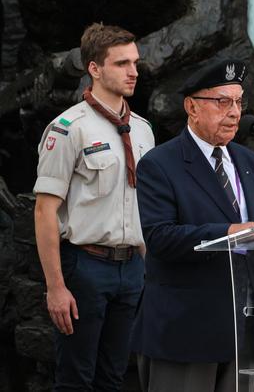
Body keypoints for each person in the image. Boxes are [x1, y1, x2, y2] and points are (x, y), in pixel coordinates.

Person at [130, 59, 254, 392]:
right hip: (187, 333)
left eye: (239, 102)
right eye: (222, 101)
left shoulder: (250, 162)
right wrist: (227, 233)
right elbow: (160, 238)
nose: (234, 112)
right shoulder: (160, 164)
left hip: (246, 330)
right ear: (191, 107)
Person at [33, 23, 154, 391]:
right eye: (121, 64)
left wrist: (147, 270)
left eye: (135, 62)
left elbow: (143, 205)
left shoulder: (143, 129)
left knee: (114, 378)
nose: (133, 71)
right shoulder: (68, 128)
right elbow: (44, 211)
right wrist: (56, 286)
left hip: (131, 268)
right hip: (85, 267)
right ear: (95, 69)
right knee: (75, 379)